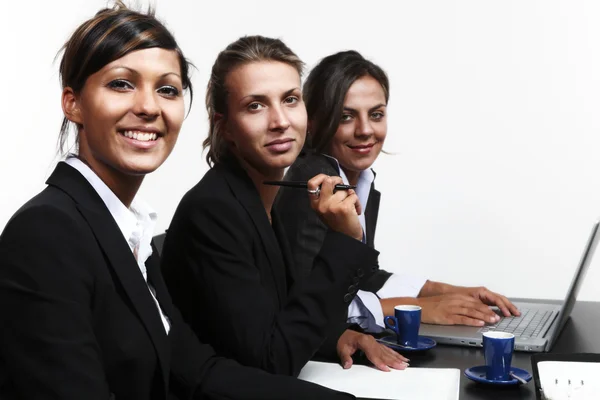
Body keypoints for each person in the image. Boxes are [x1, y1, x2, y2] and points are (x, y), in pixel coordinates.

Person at [0, 5, 357, 399]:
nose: (150, 107)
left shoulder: (124, 229)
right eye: (121, 84)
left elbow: (196, 371)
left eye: (167, 89)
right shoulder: (47, 233)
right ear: (73, 102)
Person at [161, 36, 408, 377]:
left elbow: (269, 322)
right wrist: (344, 242)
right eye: (255, 106)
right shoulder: (214, 210)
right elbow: (270, 361)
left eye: (290, 100)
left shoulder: (261, 199)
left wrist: (334, 336)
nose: (280, 121)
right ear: (225, 126)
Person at [274, 50, 521, 333]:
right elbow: (309, 304)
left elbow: (362, 276)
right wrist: (419, 307)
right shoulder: (312, 185)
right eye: (345, 117)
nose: (365, 130)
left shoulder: (357, 178)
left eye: (376, 114)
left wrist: (445, 291)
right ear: (314, 123)